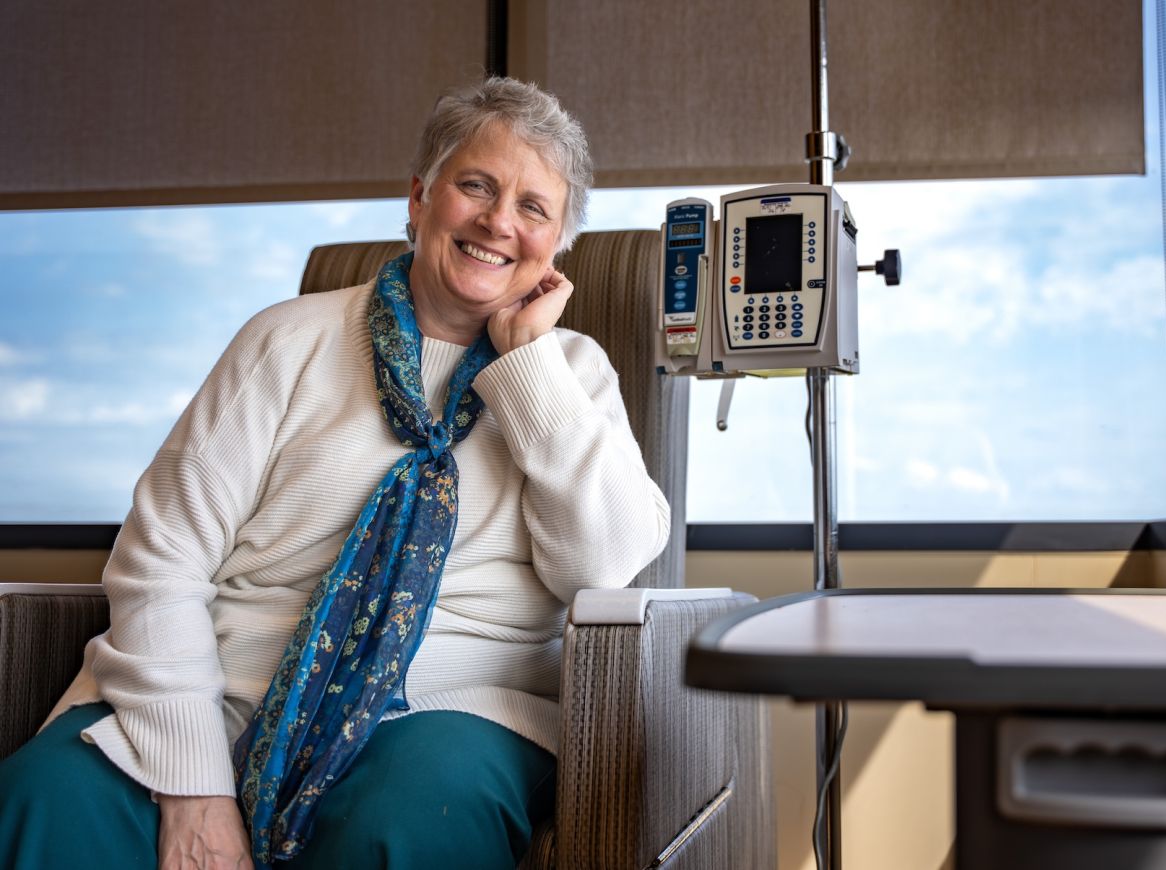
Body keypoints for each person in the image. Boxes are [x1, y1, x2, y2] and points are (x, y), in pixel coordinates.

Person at [0, 76, 670, 869]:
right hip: (225, 692)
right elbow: (162, 556)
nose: (498, 222)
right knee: (44, 799)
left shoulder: (573, 374)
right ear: (419, 199)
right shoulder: (284, 341)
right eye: (476, 186)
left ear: (558, 246)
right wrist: (195, 786)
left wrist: (527, 365)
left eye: (534, 208)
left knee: (411, 817)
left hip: (449, 711)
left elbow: (604, 565)